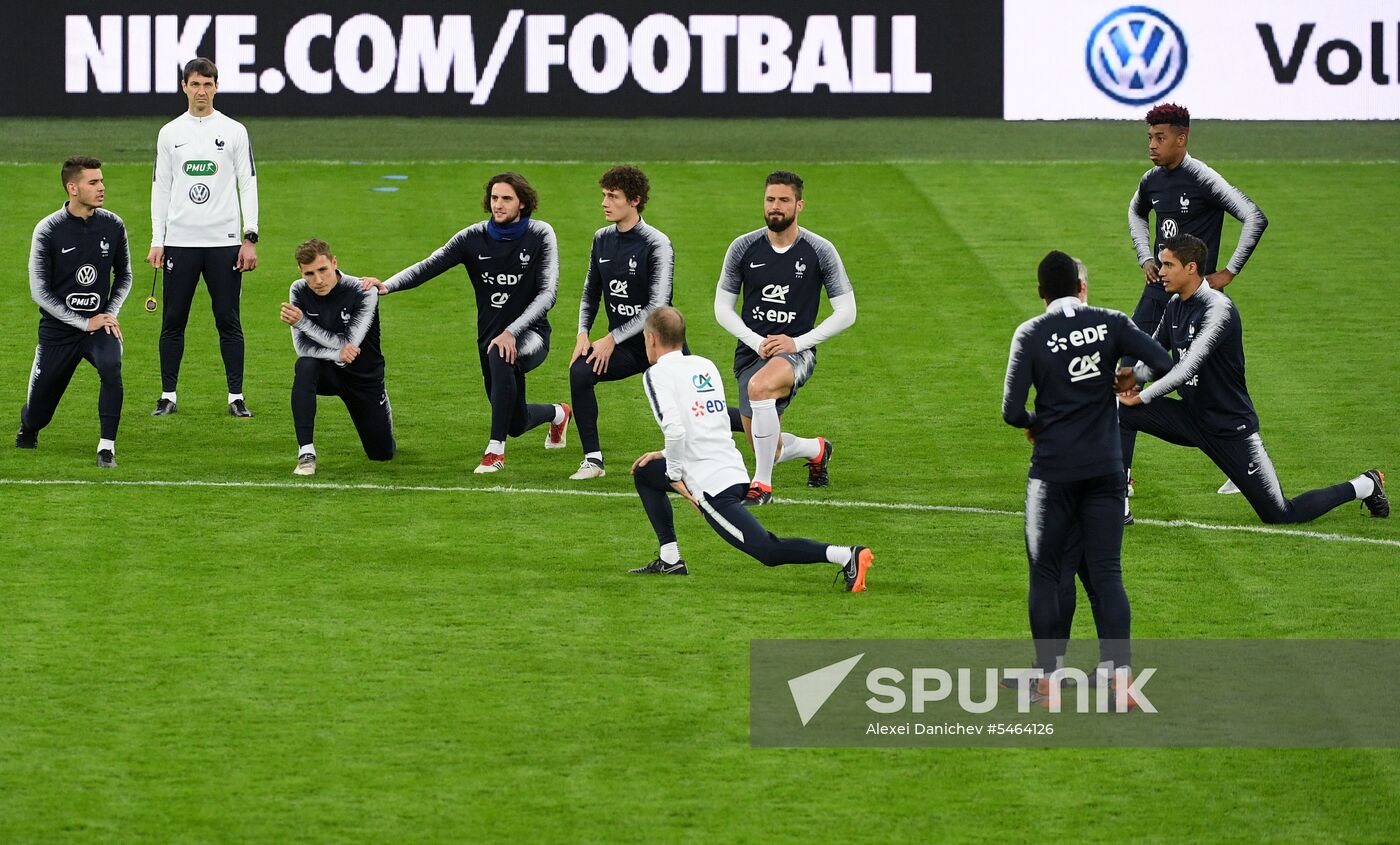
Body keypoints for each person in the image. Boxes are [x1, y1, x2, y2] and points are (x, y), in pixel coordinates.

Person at [1001, 251, 1174, 705]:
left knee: (1045, 572)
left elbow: (1011, 411)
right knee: (1107, 573)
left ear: (1040, 292)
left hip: (1054, 473)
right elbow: (1163, 358)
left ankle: (1048, 681)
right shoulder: (1112, 321)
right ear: (1081, 288)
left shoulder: (1032, 333)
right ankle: (1121, 684)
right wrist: (1129, 377)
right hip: (1106, 468)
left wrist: (1036, 421)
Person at [1118, 234, 1388, 523]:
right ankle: (1117, 505)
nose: (1160, 272)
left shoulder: (1218, 309)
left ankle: (1365, 484)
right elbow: (1156, 360)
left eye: (1168, 265)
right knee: (1119, 409)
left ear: (1191, 268)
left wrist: (1143, 395)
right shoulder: (1174, 305)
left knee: (1280, 514)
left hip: (1230, 428)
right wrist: (1126, 380)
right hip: (1190, 417)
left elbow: (1187, 368)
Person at [628, 307, 873, 591]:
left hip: (711, 488)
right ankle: (670, 559)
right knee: (645, 472)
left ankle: (846, 555)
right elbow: (708, 421)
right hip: (732, 469)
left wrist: (674, 476)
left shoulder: (655, 375)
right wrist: (664, 455)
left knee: (768, 551)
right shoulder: (704, 365)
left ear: (651, 339)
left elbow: (675, 429)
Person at [362, 172, 567, 473]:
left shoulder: (540, 234)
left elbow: (548, 293)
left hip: (531, 334)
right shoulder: (472, 237)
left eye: (506, 198)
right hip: (489, 339)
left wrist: (512, 331)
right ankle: (558, 414)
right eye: (495, 198)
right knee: (515, 421)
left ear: (522, 202)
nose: (498, 204)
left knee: (501, 354)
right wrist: (388, 285)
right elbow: (430, 264)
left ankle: (495, 452)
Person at [1121, 102, 1269, 507]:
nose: (1152, 145)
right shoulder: (1151, 180)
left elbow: (1253, 217)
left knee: (1217, 385)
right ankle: (1122, 479)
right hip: (1157, 295)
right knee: (1127, 374)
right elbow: (1135, 214)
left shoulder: (1203, 178)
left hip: (1197, 300)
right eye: (1149, 137)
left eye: (1160, 138)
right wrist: (1145, 258)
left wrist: (1229, 272)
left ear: (1181, 139)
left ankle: (1244, 464)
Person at [713, 171, 855, 507]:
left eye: (784, 200)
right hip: (751, 351)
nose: (776, 207)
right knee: (770, 448)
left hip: (796, 353)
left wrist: (798, 342)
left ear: (799, 205)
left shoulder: (820, 250)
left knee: (760, 388)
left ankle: (760, 485)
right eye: (770, 199)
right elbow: (722, 307)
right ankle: (817, 449)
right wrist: (753, 341)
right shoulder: (743, 247)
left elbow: (847, 311)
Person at [148, 57, 260, 418]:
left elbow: (248, 182)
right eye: (195, 84)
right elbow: (160, 188)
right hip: (180, 241)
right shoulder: (169, 133)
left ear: (217, 86)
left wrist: (250, 236)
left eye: (208, 84)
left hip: (224, 241)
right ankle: (168, 395)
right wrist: (157, 238)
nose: (201, 91)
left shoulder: (234, 131)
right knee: (173, 320)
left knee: (228, 320)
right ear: (184, 87)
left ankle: (236, 397)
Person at [16, 156, 131, 467]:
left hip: (99, 326)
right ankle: (29, 425)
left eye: (102, 181)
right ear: (72, 188)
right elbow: (39, 292)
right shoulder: (48, 230)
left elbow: (125, 275)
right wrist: (83, 321)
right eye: (93, 182)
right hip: (59, 331)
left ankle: (106, 446)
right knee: (39, 412)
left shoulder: (113, 224)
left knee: (111, 366)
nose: (102, 188)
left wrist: (109, 313)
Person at [568, 165, 675, 480]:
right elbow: (591, 293)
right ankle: (593, 460)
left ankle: (758, 425)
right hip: (623, 346)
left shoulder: (657, 243)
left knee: (698, 412)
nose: (605, 202)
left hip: (661, 345)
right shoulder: (601, 239)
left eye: (613, 196)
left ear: (635, 200)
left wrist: (612, 337)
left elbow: (658, 306)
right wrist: (583, 334)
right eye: (604, 195)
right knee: (580, 371)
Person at [279, 239, 394, 476]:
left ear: (334, 263)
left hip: (364, 378)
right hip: (328, 373)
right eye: (309, 274)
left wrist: (302, 322)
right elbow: (302, 347)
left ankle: (382, 404)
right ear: (301, 272)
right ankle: (306, 452)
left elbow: (348, 344)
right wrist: (336, 353)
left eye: (323, 270)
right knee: (305, 366)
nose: (318, 280)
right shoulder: (298, 290)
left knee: (381, 454)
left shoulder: (363, 291)